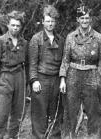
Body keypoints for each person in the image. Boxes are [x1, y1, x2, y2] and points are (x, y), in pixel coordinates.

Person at [59, 4, 101, 139]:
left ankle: (94, 136)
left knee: (94, 112)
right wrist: (63, 79)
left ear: (90, 19)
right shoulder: (70, 37)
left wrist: (100, 78)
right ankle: (70, 136)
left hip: (92, 76)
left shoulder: (98, 37)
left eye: (87, 18)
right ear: (78, 20)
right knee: (70, 111)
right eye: (82, 18)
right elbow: (65, 59)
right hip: (73, 75)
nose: (84, 21)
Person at [0, 10, 27, 139]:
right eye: (13, 25)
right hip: (5, 78)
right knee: (1, 115)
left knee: (17, 115)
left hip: (20, 78)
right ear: (8, 25)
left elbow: (26, 63)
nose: (15, 28)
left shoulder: (24, 43)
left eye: (18, 25)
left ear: (21, 27)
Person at [29, 5, 64, 139]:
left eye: (53, 21)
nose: (50, 24)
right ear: (43, 21)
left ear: (55, 22)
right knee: (39, 113)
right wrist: (34, 80)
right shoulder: (36, 39)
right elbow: (32, 63)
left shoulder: (60, 40)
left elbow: (63, 62)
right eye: (48, 21)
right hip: (41, 80)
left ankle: (54, 137)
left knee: (56, 113)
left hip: (56, 80)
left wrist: (62, 79)